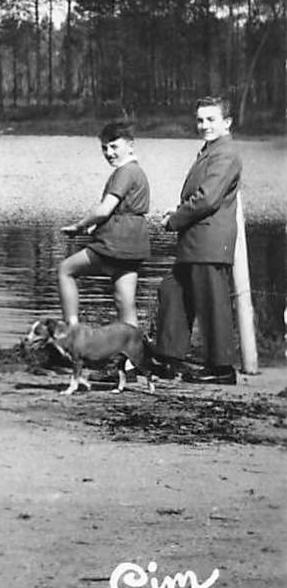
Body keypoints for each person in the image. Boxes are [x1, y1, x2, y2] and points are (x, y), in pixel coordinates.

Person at [150, 95, 244, 385]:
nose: (204, 125)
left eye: (211, 119)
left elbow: (207, 199)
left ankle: (222, 369)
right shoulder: (210, 150)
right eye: (201, 119)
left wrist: (175, 219)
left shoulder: (225, 153)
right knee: (173, 291)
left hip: (209, 242)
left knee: (212, 303)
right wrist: (177, 213)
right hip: (195, 242)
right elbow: (199, 197)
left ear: (227, 122)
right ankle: (168, 359)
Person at [56, 122, 150, 327]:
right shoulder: (138, 172)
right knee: (124, 302)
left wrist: (79, 226)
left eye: (114, 147)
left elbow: (104, 209)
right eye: (104, 148)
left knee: (66, 270)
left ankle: (71, 330)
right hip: (134, 244)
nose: (109, 153)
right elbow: (124, 210)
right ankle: (132, 353)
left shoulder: (124, 172)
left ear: (131, 145)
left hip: (115, 244)